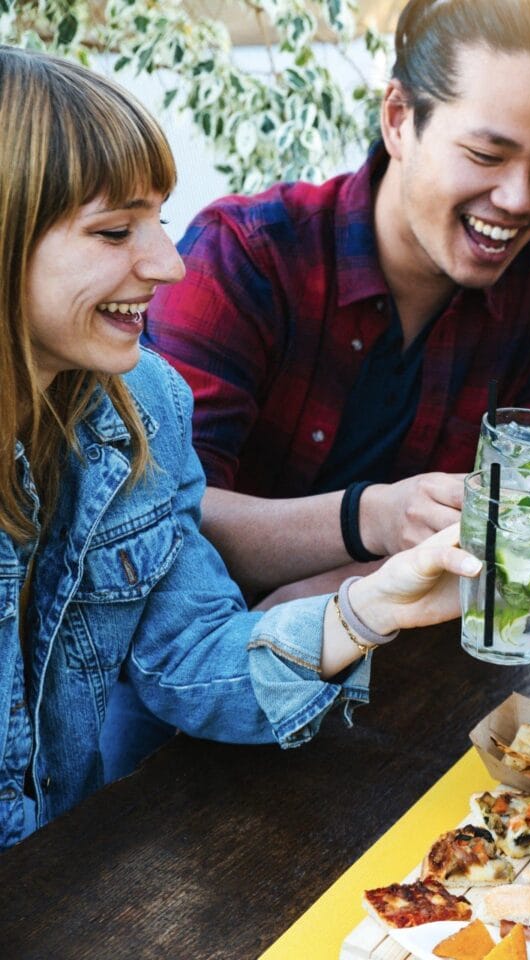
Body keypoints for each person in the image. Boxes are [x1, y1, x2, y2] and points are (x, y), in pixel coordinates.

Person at [0, 46, 481, 849]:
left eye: (157, 219)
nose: (168, 261)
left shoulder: (141, 407)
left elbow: (191, 658)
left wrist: (371, 608)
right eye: (116, 230)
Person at [145, 0, 530, 602]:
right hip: (196, 658)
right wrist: (373, 518)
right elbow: (165, 523)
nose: (519, 199)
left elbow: (516, 536)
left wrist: (331, 598)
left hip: (420, 658)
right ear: (397, 120)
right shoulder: (245, 256)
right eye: (487, 156)